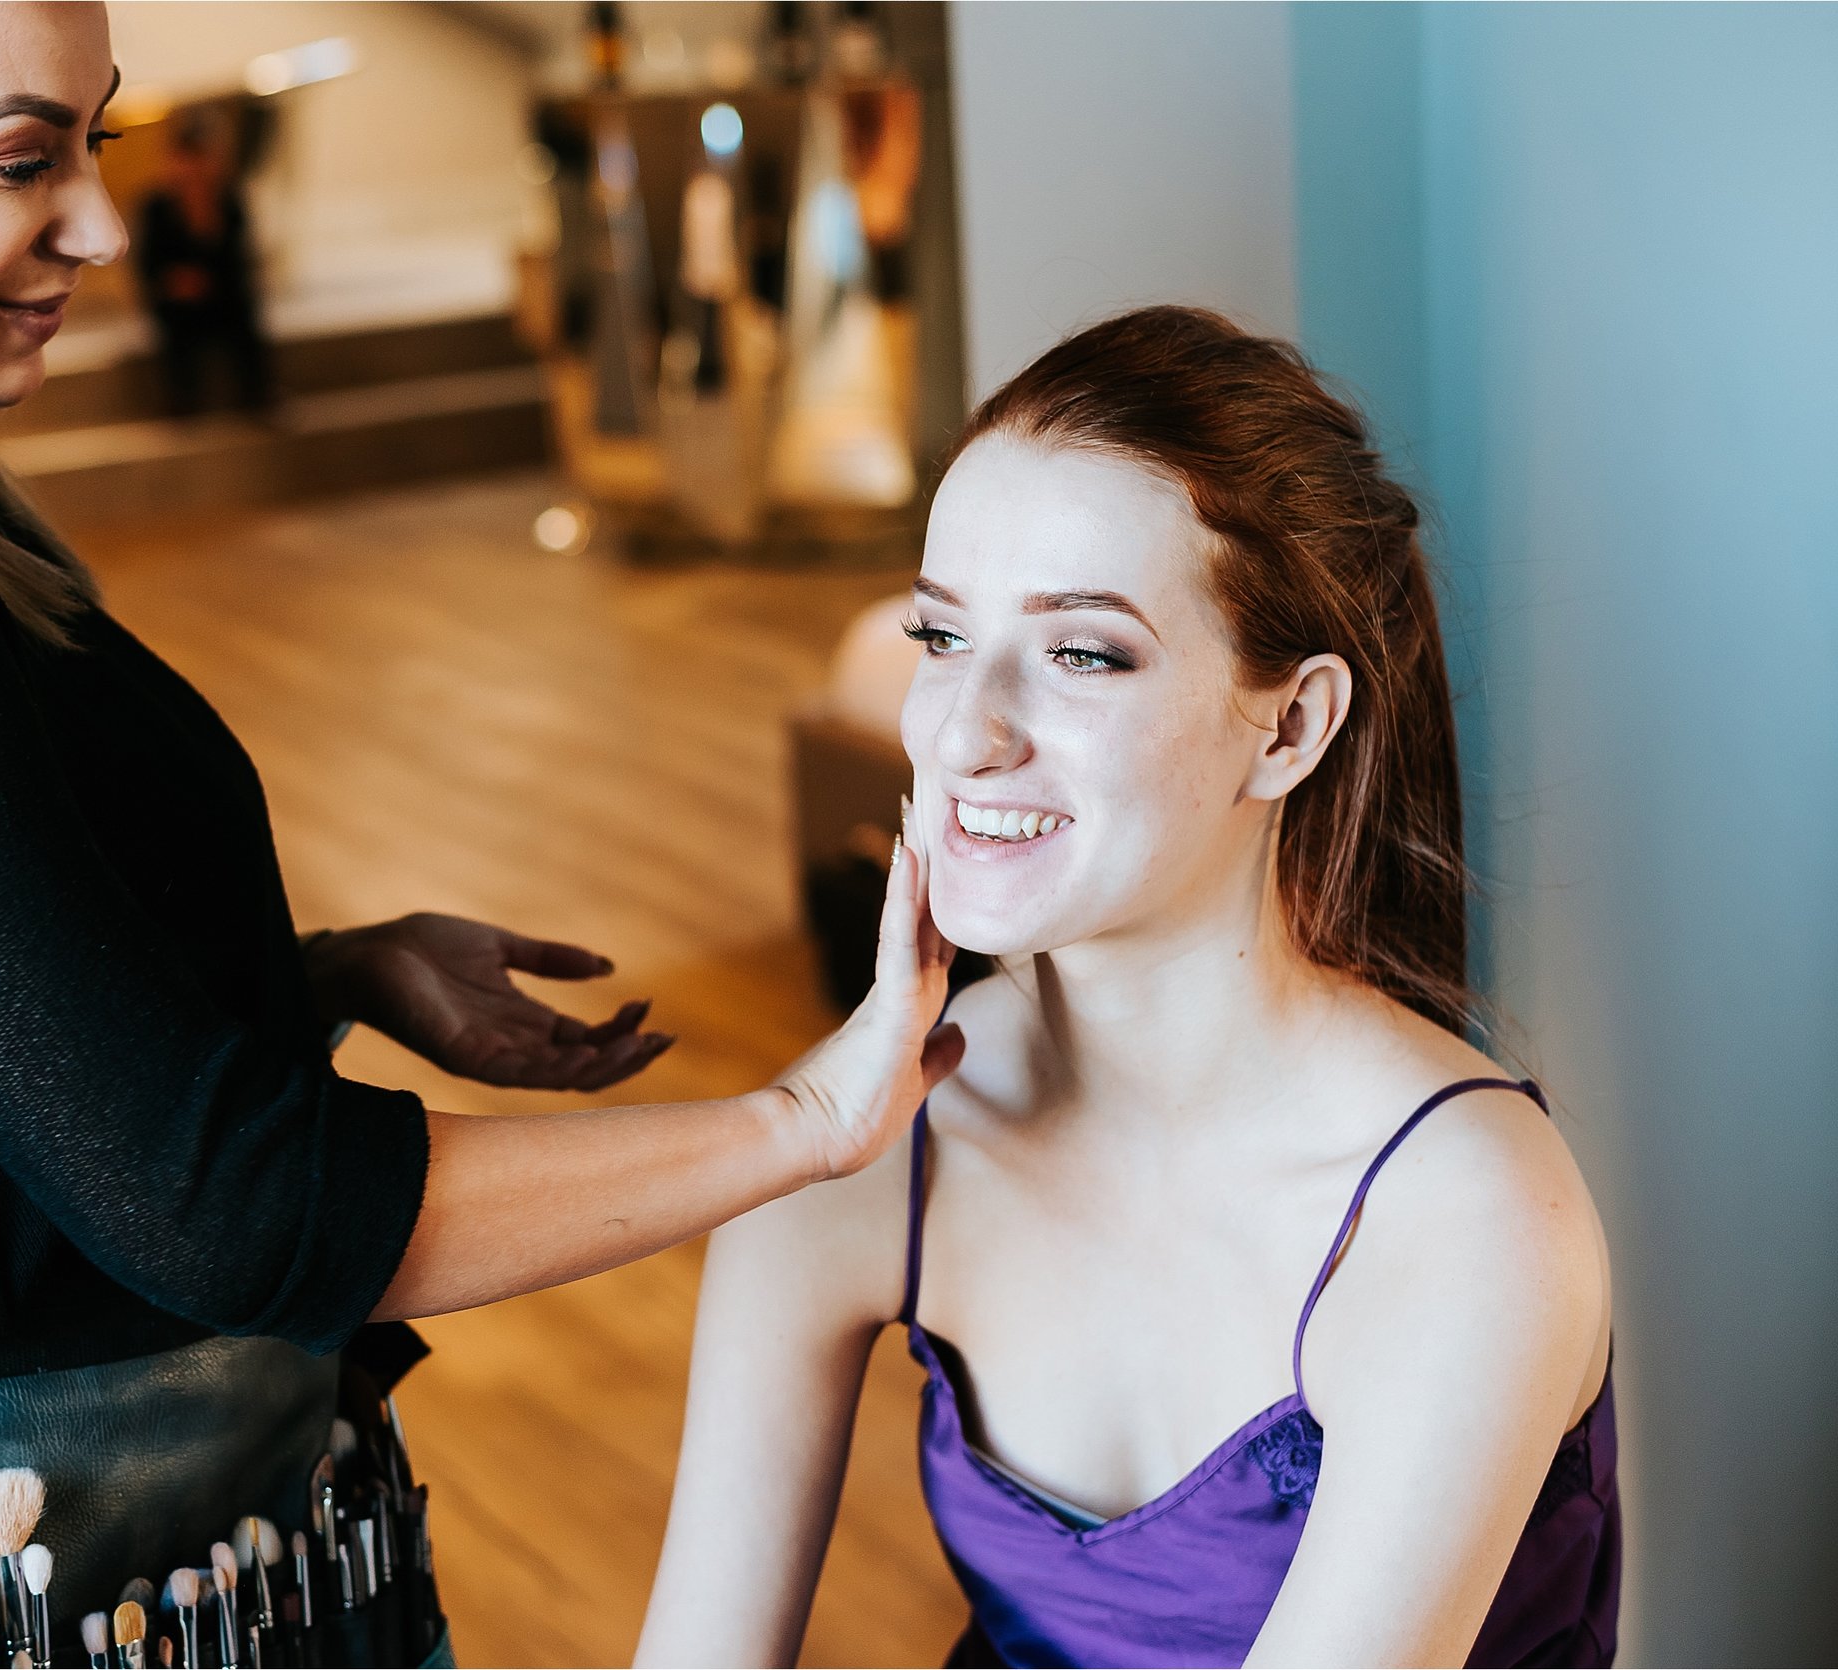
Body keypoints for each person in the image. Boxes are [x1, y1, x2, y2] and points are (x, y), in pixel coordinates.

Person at [0, 5, 960, 1663]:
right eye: (20, 158)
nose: (104, 225)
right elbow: (230, 1212)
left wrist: (319, 973)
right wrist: (801, 1123)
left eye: (93, 145)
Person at [640, 308, 1618, 1668]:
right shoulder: (860, 1137)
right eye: (939, 635)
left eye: (1081, 651)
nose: (966, 729)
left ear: (1289, 725)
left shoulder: (1468, 1215)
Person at [137, 104, 270, 416]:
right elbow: (147, 264)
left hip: (222, 293)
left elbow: (239, 260)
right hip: (176, 298)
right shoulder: (156, 206)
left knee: (244, 313)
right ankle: (182, 401)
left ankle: (257, 394)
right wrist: (174, 282)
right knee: (176, 323)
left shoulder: (229, 201)